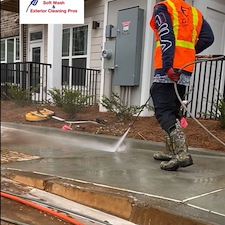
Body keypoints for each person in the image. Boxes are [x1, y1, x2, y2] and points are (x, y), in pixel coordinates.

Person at [149, 0, 214, 171]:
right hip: (185, 67)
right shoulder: (195, 13)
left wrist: (168, 65)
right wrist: (190, 51)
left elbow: (166, 35)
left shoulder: (163, 8)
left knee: (163, 109)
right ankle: (171, 152)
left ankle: (181, 154)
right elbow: (208, 38)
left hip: (169, 66)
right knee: (172, 109)